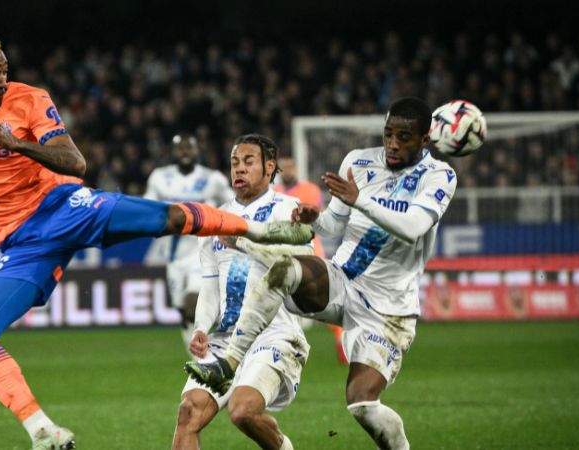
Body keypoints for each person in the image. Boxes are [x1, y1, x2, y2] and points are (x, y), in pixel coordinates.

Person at [0, 36, 313, 450]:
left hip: (66, 208)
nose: (2, 77)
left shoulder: (29, 100)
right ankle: (43, 432)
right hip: (22, 245)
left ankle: (261, 229)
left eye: (4, 68)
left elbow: (75, 164)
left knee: (168, 217)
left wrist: (17, 142)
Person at [186, 97, 457, 450]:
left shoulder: (440, 176)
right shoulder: (359, 162)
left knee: (362, 404)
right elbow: (331, 226)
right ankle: (231, 361)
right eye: (388, 134)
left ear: (424, 140)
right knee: (286, 270)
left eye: (404, 137)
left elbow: (412, 226)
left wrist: (361, 200)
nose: (392, 143)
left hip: (388, 308)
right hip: (341, 282)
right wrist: (314, 219)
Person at [173, 134, 311, 450]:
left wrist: (245, 243)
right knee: (188, 413)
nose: (240, 169)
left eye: (249, 162)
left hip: (272, 335)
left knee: (243, 411)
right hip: (224, 341)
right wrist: (201, 328)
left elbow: (301, 268)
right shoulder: (215, 220)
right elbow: (210, 285)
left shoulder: (288, 211)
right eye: (235, 162)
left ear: (270, 167)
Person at [145, 133, 234, 352]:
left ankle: (211, 354)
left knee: (193, 303)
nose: (185, 152)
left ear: (197, 151)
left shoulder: (213, 179)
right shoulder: (159, 177)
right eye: (180, 148)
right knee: (183, 311)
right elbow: (147, 207)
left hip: (202, 252)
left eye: (189, 148)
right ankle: (198, 353)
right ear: (173, 152)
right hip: (173, 255)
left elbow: (233, 203)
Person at [276, 156, 347, 365]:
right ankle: (286, 348)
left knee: (325, 299)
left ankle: (341, 336)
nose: (288, 170)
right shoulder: (274, 193)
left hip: (310, 251)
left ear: (296, 168)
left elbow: (318, 216)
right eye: (284, 167)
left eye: (291, 166)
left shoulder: (310, 190)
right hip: (284, 252)